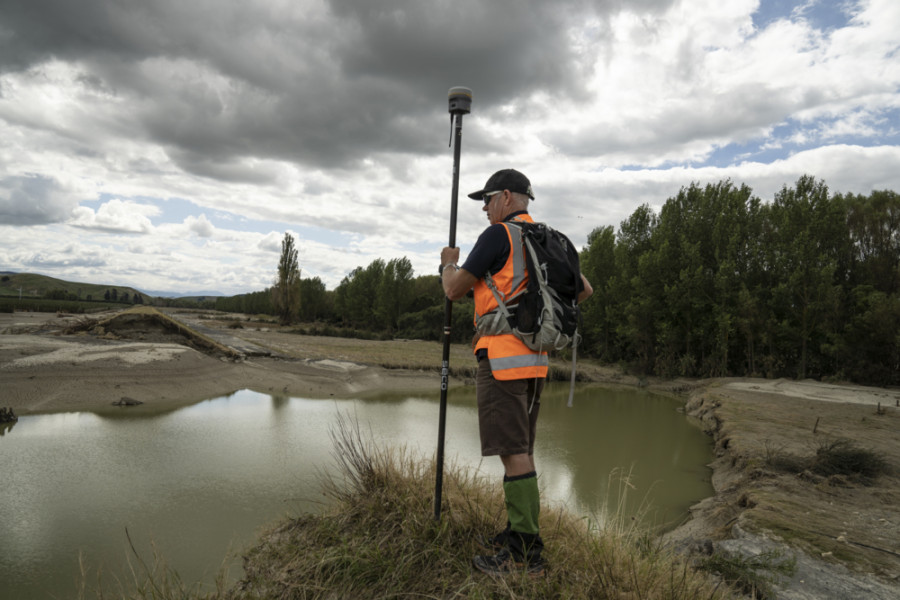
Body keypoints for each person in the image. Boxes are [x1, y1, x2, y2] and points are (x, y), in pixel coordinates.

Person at [440, 168, 593, 577]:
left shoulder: (499, 236)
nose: (485, 210)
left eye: (487, 200)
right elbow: (584, 291)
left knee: (513, 455)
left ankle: (526, 555)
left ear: (507, 196)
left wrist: (448, 265)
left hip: (502, 360)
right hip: (536, 364)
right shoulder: (552, 239)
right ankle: (516, 534)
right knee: (521, 451)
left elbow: (455, 290)